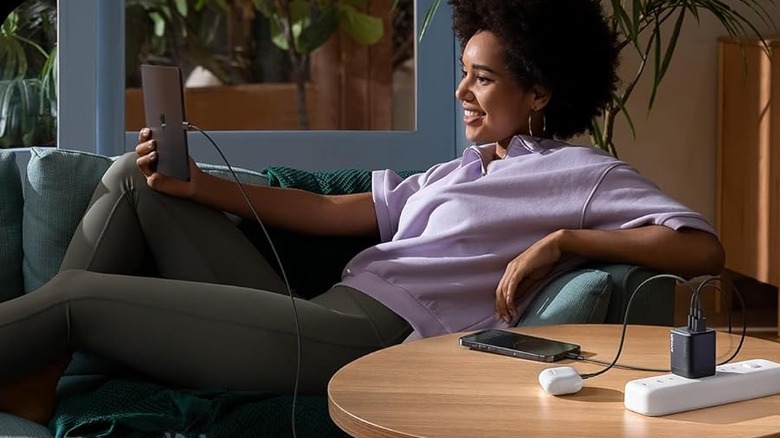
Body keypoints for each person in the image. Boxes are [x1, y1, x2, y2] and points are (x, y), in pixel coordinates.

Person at [0, 0, 724, 426]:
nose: (461, 93)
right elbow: (323, 210)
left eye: (482, 78)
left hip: (366, 344)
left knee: (74, 299)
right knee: (136, 177)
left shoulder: (579, 173)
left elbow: (700, 249)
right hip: (316, 313)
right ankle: (39, 377)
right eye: (462, 74)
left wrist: (562, 238)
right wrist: (196, 187)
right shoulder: (458, 170)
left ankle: (37, 364)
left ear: (538, 94)